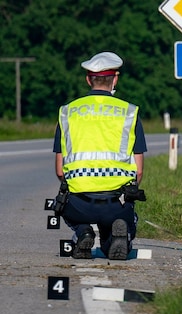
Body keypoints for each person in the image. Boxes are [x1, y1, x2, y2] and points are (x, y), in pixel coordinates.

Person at [53, 52, 147, 260]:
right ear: (115, 79)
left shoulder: (68, 112)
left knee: (63, 207)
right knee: (121, 221)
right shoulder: (129, 112)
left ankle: (83, 232)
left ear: (88, 79)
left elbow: (60, 170)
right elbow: (138, 170)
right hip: (116, 202)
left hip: (79, 203)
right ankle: (116, 236)